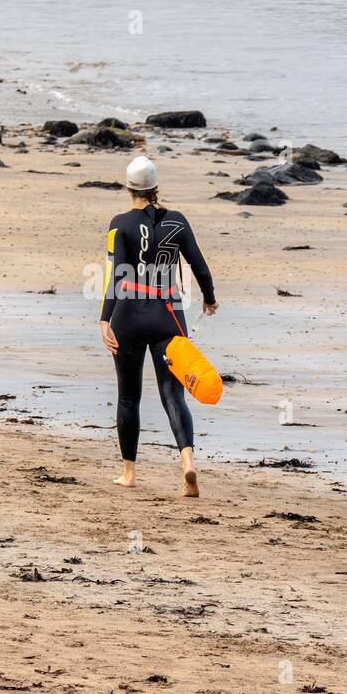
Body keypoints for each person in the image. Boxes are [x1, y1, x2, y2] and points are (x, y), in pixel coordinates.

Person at [99, 155, 218, 496]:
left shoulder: (119, 224)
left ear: (128, 188)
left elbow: (115, 277)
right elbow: (199, 265)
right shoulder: (178, 222)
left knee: (128, 397)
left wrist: (105, 318)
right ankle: (187, 464)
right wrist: (209, 298)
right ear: (155, 188)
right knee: (173, 394)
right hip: (169, 316)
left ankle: (129, 473)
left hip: (129, 317)